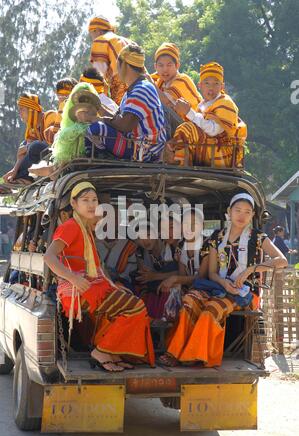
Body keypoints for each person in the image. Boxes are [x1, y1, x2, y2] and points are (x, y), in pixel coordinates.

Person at [159, 193, 288, 368]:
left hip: (244, 293)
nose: (242, 215)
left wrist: (252, 269)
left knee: (211, 310)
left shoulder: (258, 237)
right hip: (218, 287)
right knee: (190, 299)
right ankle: (174, 352)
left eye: (247, 212)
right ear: (229, 212)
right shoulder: (216, 237)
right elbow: (212, 273)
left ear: (252, 216)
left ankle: (196, 355)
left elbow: (282, 260)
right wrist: (223, 283)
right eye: (238, 210)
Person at [44, 182, 155, 372]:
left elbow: (97, 268)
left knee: (131, 306)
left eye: (94, 200)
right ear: (74, 203)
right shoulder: (71, 226)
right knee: (136, 307)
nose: (91, 205)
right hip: (80, 289)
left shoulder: (85, 229)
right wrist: (73, 278)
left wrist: (113, 285)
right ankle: (102, 351)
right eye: (85, 200)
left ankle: (112, 353)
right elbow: (49, 257)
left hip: (92, 286)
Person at [86, 43, 166, 162]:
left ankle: (99, 161)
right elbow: (118, 119)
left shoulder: (142, 89)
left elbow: (125, 125)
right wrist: (98, 108)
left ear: (124, 65)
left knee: (96, 129)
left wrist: (100, 119)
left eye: (118, 64)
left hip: (145, 151)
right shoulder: (134, 89)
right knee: (86, 127)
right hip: (135, 144)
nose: (116, 69)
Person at [167, 62, 247, 168]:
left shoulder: (225, 103)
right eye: (207, 83)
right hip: (207, 149)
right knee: (180, 131)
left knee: (188, 128)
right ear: (199, 85)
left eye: (216, 83)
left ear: (222, 86)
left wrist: (189, 112)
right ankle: (176, 160)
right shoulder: (202, 104)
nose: (211, 88)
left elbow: (213, 130)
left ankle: (182, 165)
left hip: (221, 154)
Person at [1, 93, 56, 190]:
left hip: (56, 156)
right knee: (25, 144)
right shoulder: (32, 128)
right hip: (44, 157)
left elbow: (54, 143)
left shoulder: (50, 116)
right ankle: (15, 178)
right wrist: (14, 170)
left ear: (31, 109)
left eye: (22, 109)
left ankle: (25, 179)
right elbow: (23, 152)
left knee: (34, 145)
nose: (19, 113)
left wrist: (27, 147)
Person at [152, 43, 202, 121]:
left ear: (177, 65)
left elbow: (166, 102)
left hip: (193, 126)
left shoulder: (182, 80)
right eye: (161, 65)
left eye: (169, 65)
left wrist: (151, 84)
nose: (165, 69)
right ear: (155, 67)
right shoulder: (160, 81)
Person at [88, 15, 129, 104]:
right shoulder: (127, 41)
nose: (92, 38)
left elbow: (98, 75)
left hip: (121, 86)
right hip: (141, 85)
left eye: (91, 34)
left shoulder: (100, 40)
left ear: (97, 31)